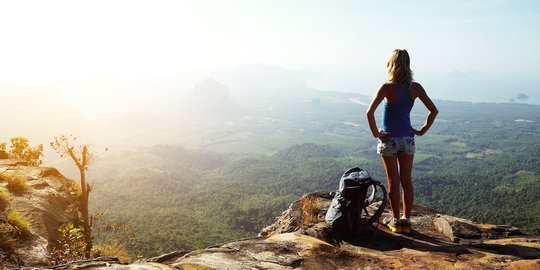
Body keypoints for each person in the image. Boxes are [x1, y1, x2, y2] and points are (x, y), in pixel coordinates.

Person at [365, 49, 438, 233]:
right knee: (407, 180)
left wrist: (376, 133)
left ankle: (396, 221)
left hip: (389, 139)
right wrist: (421, 131)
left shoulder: (387, 87)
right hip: (407, 138)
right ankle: (407, 221)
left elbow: (369, 112)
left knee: (393, 181)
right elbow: (433, 111)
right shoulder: (415, 88)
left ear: (391, 65)